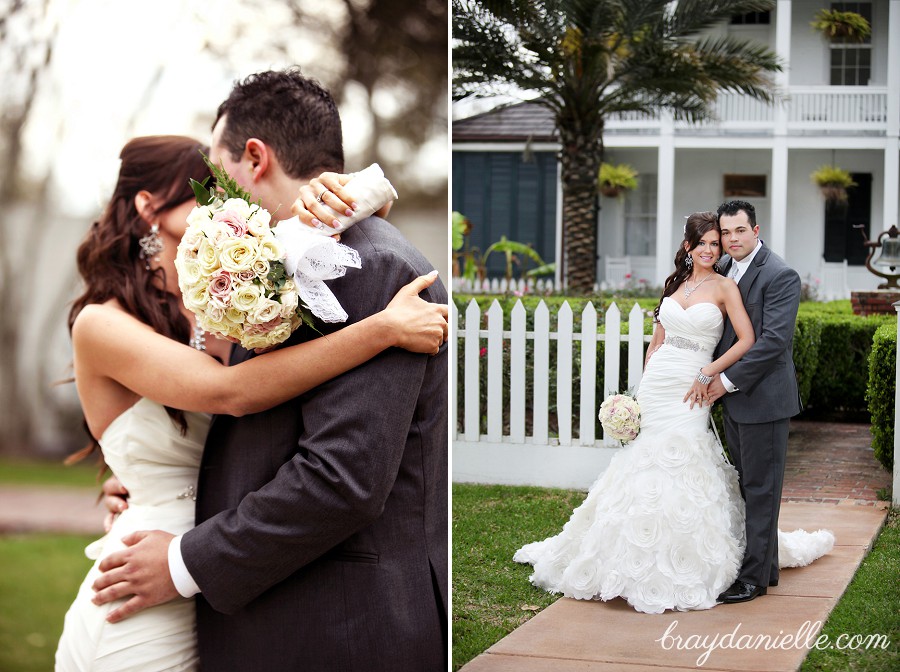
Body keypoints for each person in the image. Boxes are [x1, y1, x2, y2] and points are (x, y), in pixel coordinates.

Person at [89, 69, 449, 671]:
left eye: (215, 171)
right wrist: (158, 485)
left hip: (338, 625)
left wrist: (184, 563)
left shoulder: (367, 266)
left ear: (254, 157)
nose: (212, 195)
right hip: (278, 616)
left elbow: (341, 480)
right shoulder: (270, 271)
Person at [513, 212, 833, 614]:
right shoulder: (677, 285)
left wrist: (710, 372)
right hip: (659, 385)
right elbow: (657, 340)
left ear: (750, 233)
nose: (713, 248)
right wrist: (640, 390)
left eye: (718, 242)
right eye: (707, 242)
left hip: (695, 385)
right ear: (688, 247)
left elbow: (753, 339)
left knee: (686, 460)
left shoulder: (728, 284)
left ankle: (730, 567)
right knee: (641, 462)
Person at [706, 200, 810, 604]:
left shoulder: (781, 274)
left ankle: (753, 581)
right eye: (726, 232)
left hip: (764, 400)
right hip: (733, 402)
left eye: (739, 231)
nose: (732, 239)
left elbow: (773, 342)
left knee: (762, 490)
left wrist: (726, 381)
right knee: (748, 488)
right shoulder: (725, 270)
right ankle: (765, 567)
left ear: (756, 229)